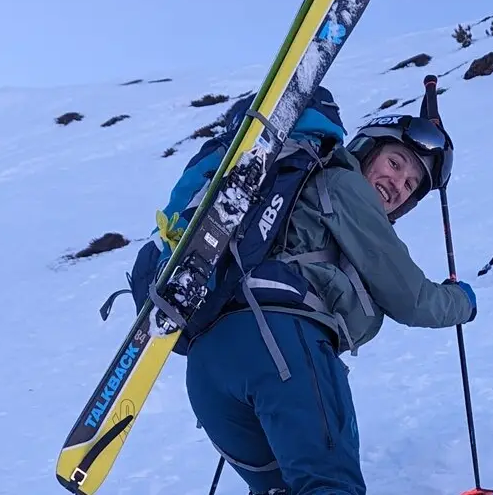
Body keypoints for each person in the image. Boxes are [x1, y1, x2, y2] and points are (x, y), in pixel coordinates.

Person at [177, 95, 477, 495]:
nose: (397, 185)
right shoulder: (343, 182)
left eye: (410, 185)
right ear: (368, 148)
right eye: (395, 163)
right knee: (329, 485)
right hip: (279, 343)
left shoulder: (301, 191)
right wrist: (464, 301)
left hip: (208, 366)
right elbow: (414, 300)